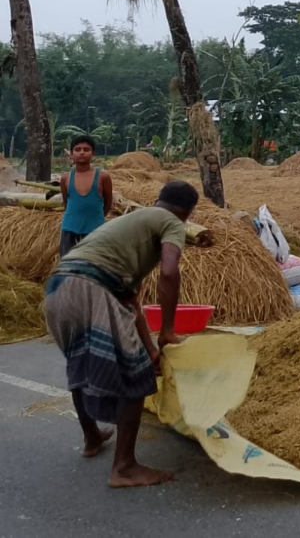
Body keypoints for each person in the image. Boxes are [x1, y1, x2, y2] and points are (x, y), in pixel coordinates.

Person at [43, 180, 199, 488]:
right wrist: (167, 330)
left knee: (80, 365)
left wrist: (151, 348)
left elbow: (131, 303)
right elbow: (170, 272)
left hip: (58, 290)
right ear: (187, 213)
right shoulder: (172, 223)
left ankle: (92, 438)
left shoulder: (132, 226)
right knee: (136, 378)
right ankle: (124, 467)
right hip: (90, 289)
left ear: (158, 198)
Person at [59, 135, 114, 256]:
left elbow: (108, 203)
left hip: (95, 230)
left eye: (86, 149)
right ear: (71, 154)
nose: (82, 153)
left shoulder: (103, 177)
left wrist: (96, 218)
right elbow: (67, 202)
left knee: (94, 266)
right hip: (70, 229)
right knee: (68, 266)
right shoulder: (65, 178)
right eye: (77, 150)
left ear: (93, 153)